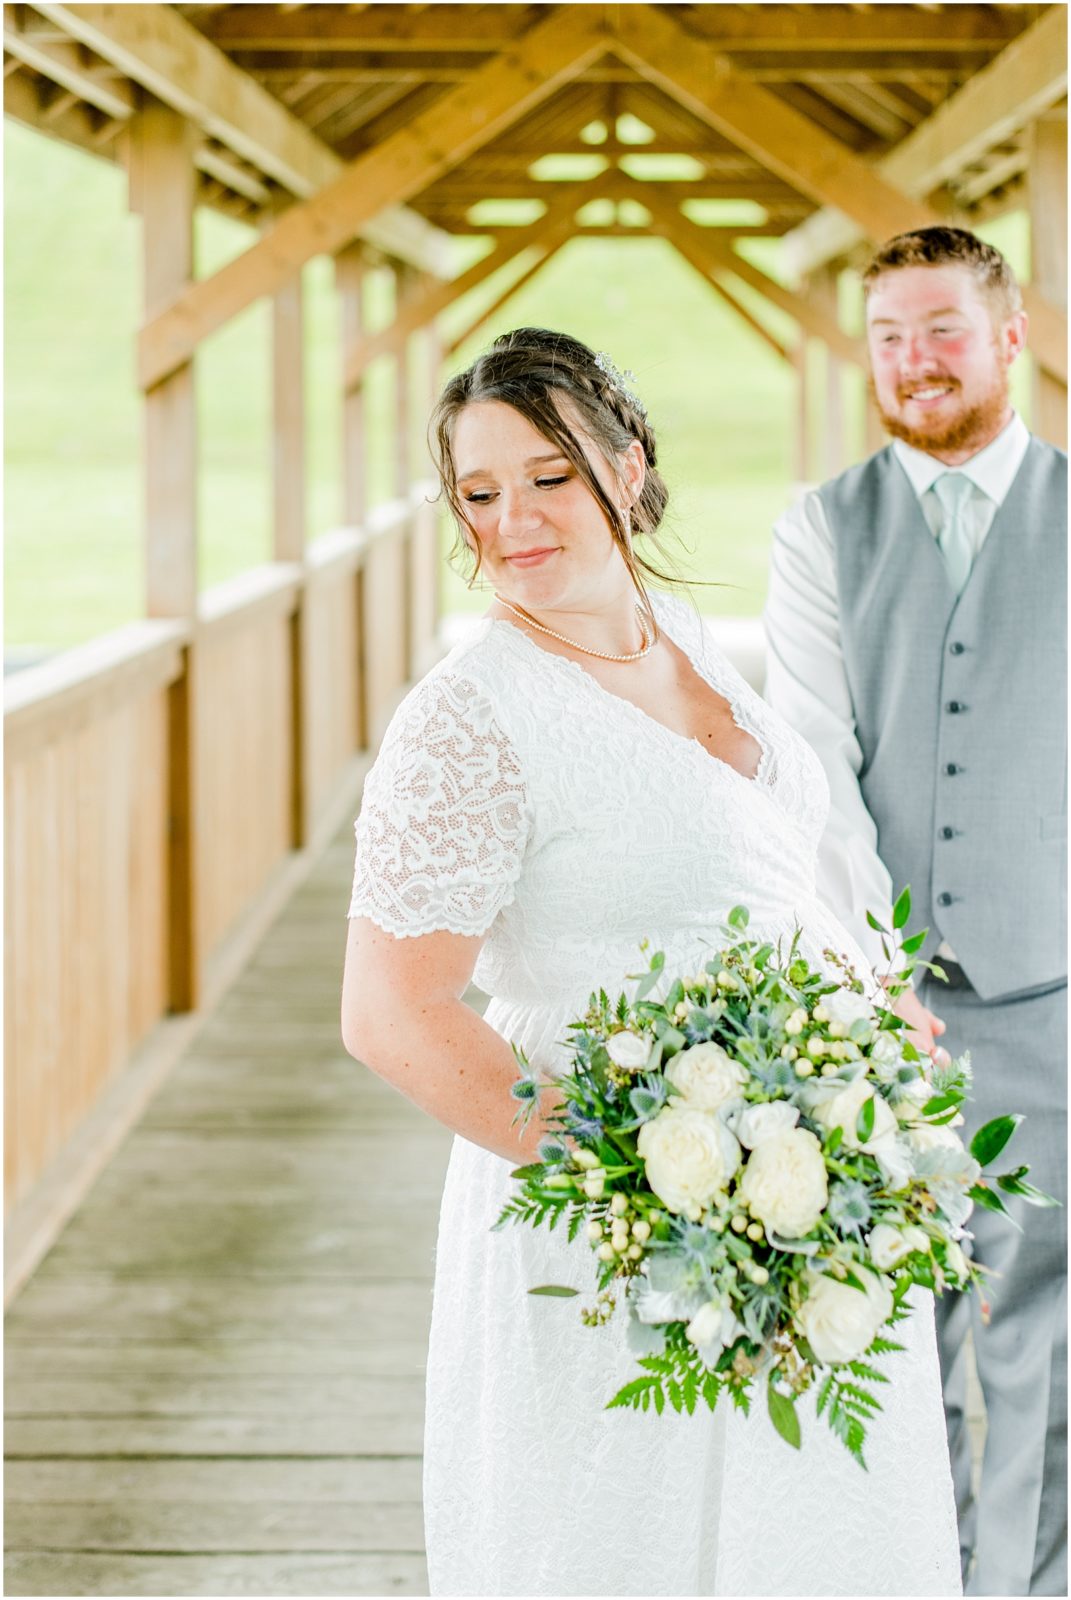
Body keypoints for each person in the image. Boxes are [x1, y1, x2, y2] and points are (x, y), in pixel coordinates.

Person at [342, 327, 961, 1597]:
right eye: (479, 491)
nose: (512, 517)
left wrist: (869, 1025)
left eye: (549, 474)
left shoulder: (675, 634)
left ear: (629, 467)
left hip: (799, 1202)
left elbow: (765, 867)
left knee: (813, 1538)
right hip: (621, 1238)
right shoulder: (469, 717)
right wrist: (646, 1180)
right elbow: (392, 1014)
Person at [764, 227, 1067, 1597]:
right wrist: (877, 970)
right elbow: (811, 758)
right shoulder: (818, 529)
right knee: (884, 1348)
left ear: (1008, 339)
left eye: (940, 328)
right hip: (875, 1024)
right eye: (887, 336)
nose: (911, 360)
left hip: (1053, 1000)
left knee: (1044, 1358)